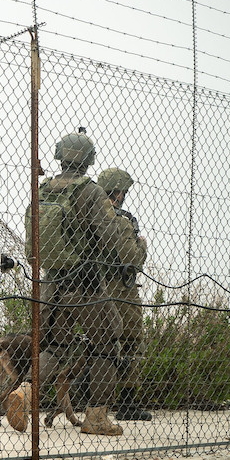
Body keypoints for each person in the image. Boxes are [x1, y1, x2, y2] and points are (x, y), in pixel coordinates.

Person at [14, 130, 143, 436]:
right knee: (107, 344)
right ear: (88, 161)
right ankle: (96, 419)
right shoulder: (91, 192)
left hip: (51, 283)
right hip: (87, 286)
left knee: (56, 346)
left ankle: (26, 392)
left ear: (61, 157)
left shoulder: (45, 189)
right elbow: (113, 240)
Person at [97, 167, 151, 422]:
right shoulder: (121, 219)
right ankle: (127, 402)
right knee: (131, 340)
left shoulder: (89, 215)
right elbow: (132, 260)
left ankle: (92, 401)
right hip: (120, 288)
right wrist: (142, 246)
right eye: (123, 191)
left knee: (98, 344)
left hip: (91, 285)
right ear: (118, 192)